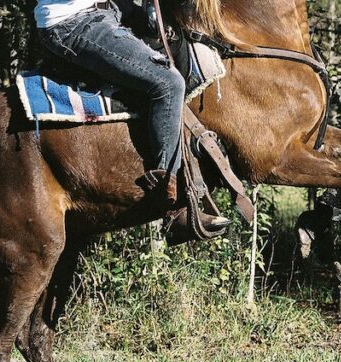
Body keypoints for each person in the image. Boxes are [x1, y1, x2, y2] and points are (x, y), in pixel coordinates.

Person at [34, 0, 229, 234]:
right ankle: (173, 205)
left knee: (179, 34)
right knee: (169, 83)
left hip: (105, 8)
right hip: (72, 22)